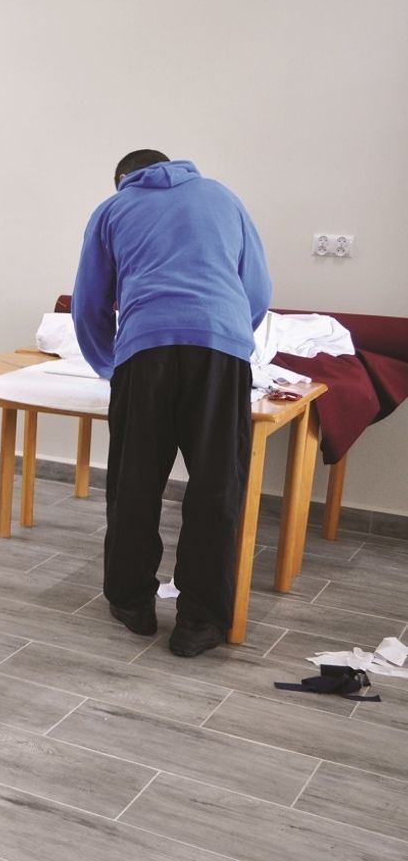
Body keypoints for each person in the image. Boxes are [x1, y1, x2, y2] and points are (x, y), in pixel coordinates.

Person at [72, 150, 272, 657]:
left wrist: (111, 364)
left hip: (146, 349)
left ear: (124, 178)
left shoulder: (113, 209)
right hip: (220, 348)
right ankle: (200, 622)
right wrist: (226, 335)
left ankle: (132, 603)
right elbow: (257, 290)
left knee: (134, 482)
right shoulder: (223, 198)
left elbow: (89, 304)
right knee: (216, 485)